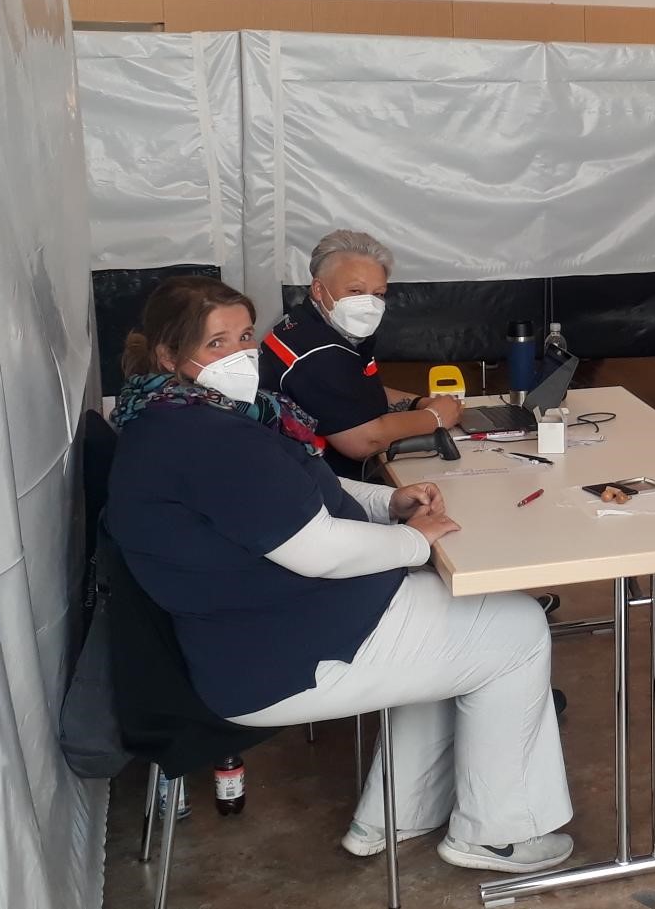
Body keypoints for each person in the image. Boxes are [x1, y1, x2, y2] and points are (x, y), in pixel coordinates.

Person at [107, 275, 574, 874]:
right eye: (216, 343)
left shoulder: (179, 416)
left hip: (259, 633)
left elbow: (305, 490)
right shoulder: (206, 438)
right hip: (278, 653)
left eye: (245, 336)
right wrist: (414, 541)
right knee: (516, 629)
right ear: (170, 355)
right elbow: (317, 550)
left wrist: (388, 504)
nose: (240, 353)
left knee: (463, 629)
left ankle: (394, 815)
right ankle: (499, 835)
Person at [260, 229, 463, 480]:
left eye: (378, 294)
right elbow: (363, 441)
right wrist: (435, 417)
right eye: (355, 291)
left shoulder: (309, 325)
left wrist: (418, 403)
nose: (368, 304)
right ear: (319, 289)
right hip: (323, 484)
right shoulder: (317, 354)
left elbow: (354, 389)